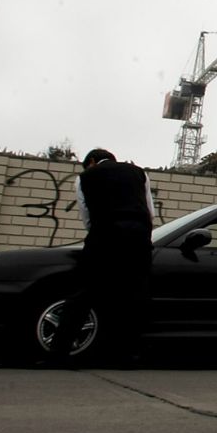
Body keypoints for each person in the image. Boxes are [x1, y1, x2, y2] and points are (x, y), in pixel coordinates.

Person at [44, 148, 156, 366]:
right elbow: (149, 212)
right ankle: (128, 354)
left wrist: (99, 236)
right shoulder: (138, 173)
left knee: (83, 294)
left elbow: (86, 216)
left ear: (92, 161)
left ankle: (59, 353)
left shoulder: (85, 177)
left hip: (105, 237)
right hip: (138, 239)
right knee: (134, 295)